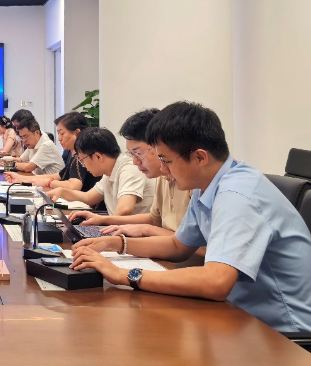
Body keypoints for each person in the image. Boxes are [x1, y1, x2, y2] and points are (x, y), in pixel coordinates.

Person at [71, 102, 311, 333]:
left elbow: (216, 282)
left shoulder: (237, 195)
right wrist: (116, 244)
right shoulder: (207, 184)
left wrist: (124, 275)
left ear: (199, 157)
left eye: (166, 161)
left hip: (282, 333)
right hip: (239, 315)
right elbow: (179, 246)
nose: (163, 169)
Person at [67, 109, 192, 237]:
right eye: (131, 154)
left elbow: (186, 244)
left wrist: (139, 232)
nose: (135, 162)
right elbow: (155, 219)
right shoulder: (162, 177)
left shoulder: (192, 184)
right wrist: (104, 220)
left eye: (138, 153)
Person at [47, 127, 155, 215]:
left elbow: (124, 209)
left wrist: (102, 222)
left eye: (82, 160)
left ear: (98, 157)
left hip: (133, 233)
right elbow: (89, 198)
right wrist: (62, 192)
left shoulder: (129, 169)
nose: (83, 165)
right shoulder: (110, 171)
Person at [5, 112, 101, 193]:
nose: (59, 139)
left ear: (77, 133)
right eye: (58, 134)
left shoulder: (83, 157)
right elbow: (55, 176)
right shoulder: (75, 157)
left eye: (62, 133)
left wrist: (48, 182)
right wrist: (21, 178)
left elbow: (73, 186)